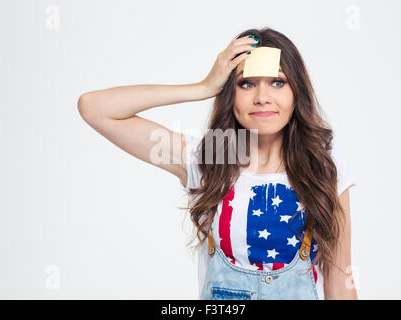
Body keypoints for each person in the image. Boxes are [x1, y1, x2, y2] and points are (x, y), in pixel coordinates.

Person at [77, 27, 358, 300]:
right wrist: (202, 87)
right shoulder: (207, 157)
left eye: (277, 82)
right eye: (246, 84)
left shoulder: (322, 165)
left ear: (297, 92)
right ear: (229, 92)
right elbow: (95, 108)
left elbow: (340, 288)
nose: (262, 97)